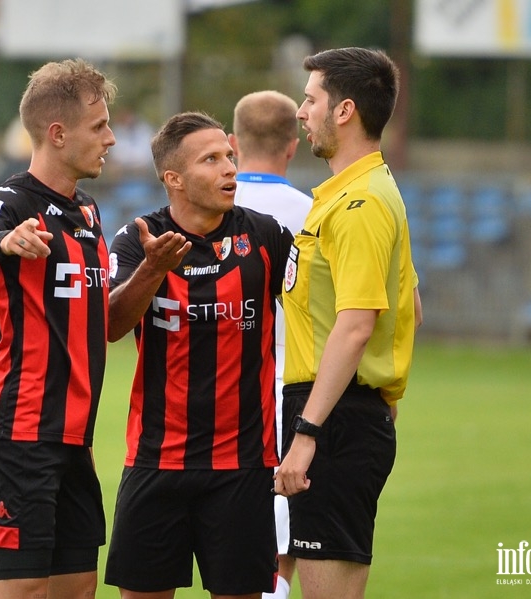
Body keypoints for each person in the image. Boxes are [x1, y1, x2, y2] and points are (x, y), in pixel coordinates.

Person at [104, 111, 294, 599]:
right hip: (156, 461)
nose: (230, 167)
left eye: (229, 155)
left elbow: (321, 312)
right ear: (175, 179)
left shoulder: (267, 237)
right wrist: (152, 269)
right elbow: (109, 325)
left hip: (243, 467)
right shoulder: (138, 239)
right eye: (211, 159)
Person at [0, 58, 117, 599]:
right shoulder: (13, 200)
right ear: (57, 133)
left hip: (74, 440)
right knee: (24, 592)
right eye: (99, 127)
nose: (111, 138)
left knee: (77, 590)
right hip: (18, 435)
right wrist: (4, 242)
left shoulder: (89, 212)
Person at [273, 47, 423, 599]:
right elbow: (411, 303)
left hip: (333, 417)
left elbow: (357, 325)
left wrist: (309, 433)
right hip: (344, 412)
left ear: (344, 111)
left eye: (311, 98)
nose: (300, 110)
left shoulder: (360, 203)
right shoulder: (352, 193)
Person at [227, 90, 312, 599]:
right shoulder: (315, 214)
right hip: (291, 393)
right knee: (279, 557)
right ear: (293, 146)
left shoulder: (205, 207)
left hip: (211, 392)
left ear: (233, 143)